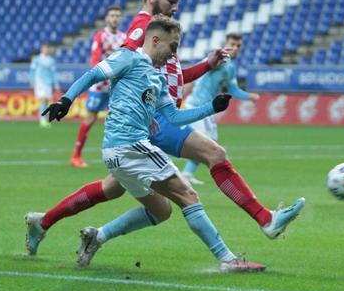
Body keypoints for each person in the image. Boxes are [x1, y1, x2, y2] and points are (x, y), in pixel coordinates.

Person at [25, 0, 303, 257]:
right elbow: (126, 67)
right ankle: (263, 220)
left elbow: (170, 78)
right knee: (214, 155)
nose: (175, 5)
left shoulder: (163, 33)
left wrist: (206, 65)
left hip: (156, 118)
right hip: (154, 123)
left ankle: (48, 222)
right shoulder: (143, 28)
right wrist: (77, 99)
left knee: (119, 191)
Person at [43, 16, 264, 272]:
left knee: (162, 210)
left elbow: (174, 117)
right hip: (129, 147)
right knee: (188, 195)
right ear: (155, 39)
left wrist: (211, 107)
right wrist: (66, 100)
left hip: (118, 155)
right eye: (172, 46)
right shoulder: (128, 58)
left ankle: (98, 236)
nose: (174, 53)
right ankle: (229, 260)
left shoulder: (157, 79)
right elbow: (93, 74)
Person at [181, 32, 260, 185]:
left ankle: (187, 174)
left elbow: (234, 90)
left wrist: (249, 97)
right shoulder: (218, 59)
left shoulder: (230, 67)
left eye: (238, 46)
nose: (235, 48)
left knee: (211, 143)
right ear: (225, 44)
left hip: (207, 109)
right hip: (196, 107)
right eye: (232, 44)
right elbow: (200, 70)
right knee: (207, 145)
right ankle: (226, 178)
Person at [71, 6, 126, 167]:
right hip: (101, 86)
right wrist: (103, 76)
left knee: (120, 119)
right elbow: (94, 61)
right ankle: (76, 156)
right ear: (107, 19)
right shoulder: (100, 37)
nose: (115, 18)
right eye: (112, 15)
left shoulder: (124, 37)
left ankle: (120, 157)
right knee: (90, 118)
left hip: (117, 87)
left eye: (117, 15)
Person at [30, 43, 60, 128]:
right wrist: (32, 81)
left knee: (46, 101)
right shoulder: (36, 59)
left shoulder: (51, 60)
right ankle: (42, 120)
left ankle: (44, 119)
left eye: (47, 49)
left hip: (48, 83)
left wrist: (56, 84)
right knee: (43, 100)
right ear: (42, 49)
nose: (46, 50)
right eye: (45, 48)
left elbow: (53, 73)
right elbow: (32, 70)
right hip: (39, 82)